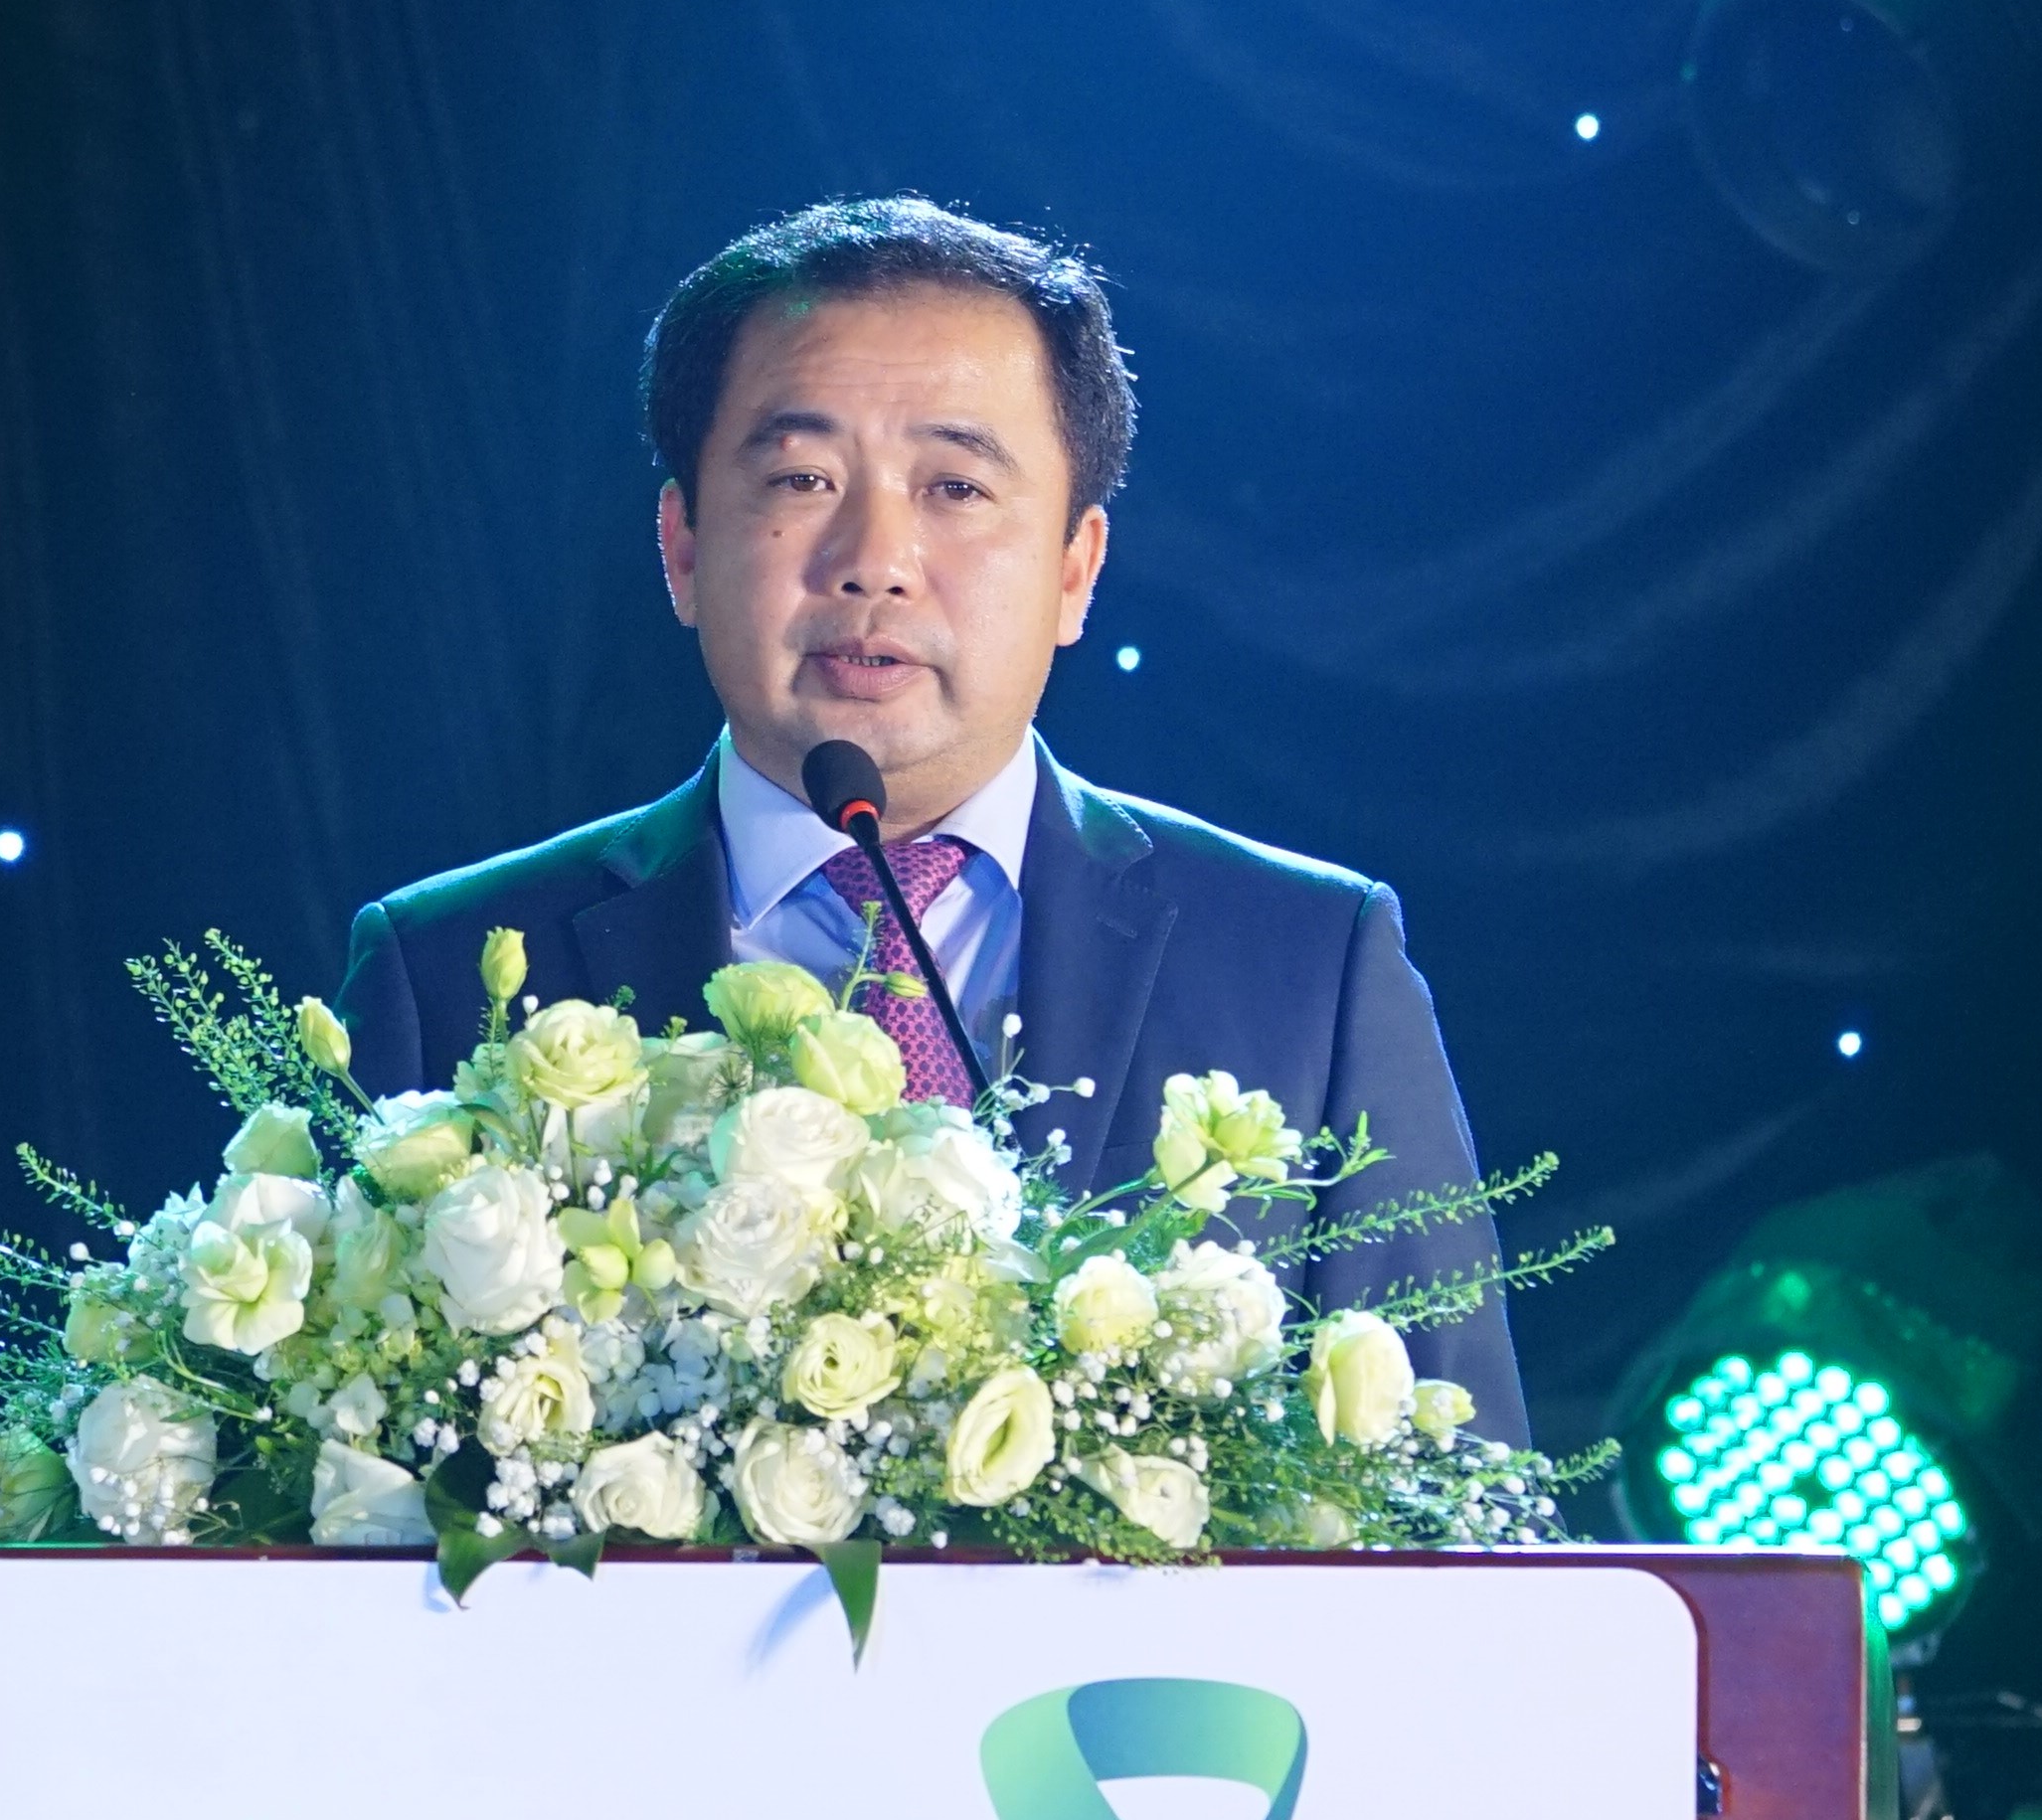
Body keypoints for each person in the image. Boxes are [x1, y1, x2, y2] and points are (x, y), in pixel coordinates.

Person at [334, 197, 1524, 1444]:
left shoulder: (1310, 967)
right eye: (802, 478)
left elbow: (1462, 1493)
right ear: (682, 546)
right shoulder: (444, 971)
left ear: (1075, 568)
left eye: (956, 485)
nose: (876, 559)